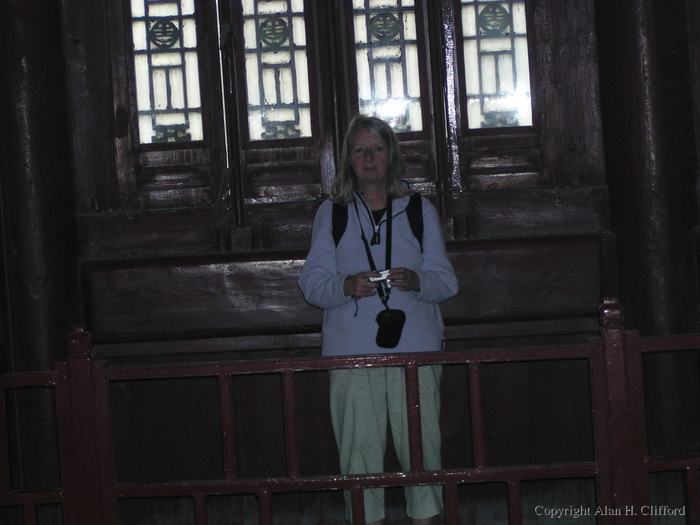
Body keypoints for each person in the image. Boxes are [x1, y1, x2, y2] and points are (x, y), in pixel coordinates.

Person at [298, 115, 458, 525]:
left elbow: (446, 283)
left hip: (415, 353)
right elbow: (312, 285)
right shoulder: (332, 214)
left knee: (422, 453)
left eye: (377, 149)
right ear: (348, 160)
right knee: (359, 458)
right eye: (359, 150)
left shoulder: (419, 209)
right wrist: (345, 286)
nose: (369, 158)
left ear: (392, 156)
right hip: (352, 354)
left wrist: (419, 281)